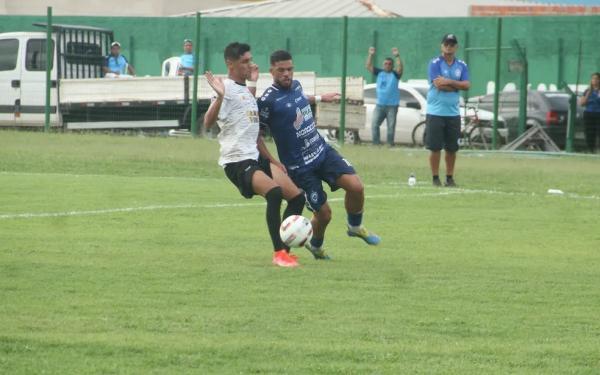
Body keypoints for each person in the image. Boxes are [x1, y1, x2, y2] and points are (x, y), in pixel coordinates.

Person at [257, 50, 380, 260]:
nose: (287, 73)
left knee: (356, 186)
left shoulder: (296, 86)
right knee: (324, 215)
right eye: (281, 70)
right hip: (300, 169)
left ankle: (354, 226)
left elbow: (301, 98)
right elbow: (255, 134)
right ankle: (315, 246)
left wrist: (322, 97)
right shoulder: (267, 102)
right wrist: (273, 162)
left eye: (290, 69)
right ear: (272, 71)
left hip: (322, 151)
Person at [203, 42, 306, 268]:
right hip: (237, 161)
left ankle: (285, 252)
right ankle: (278, 253)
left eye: (250, 59)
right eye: (244, 62)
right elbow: (207, 123)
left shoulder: (243, 89)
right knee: (275, 194)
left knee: (297, 197)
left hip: (256, 157)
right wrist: (219, 97)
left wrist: (273, 161)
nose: (250, 64)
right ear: (230, 64)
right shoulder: (225, 89)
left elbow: (246, 108)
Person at [425, 34, 470, 187]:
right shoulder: (435, 63)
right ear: (442, 46)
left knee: (452, 149)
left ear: (456, 47)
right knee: (435, 147)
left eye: (452, 44)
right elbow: (438, 84)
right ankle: (435, 178)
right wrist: (456, 86)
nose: (449, 47)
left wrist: (449, 82)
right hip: (435, 112)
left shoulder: (462, 65)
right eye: (446, 44)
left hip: (453, 113)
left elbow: (467, 85)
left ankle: (449, 177)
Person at [365, 46, 403, 146]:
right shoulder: (380, 73)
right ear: (383, 65)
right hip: (380, 105)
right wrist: (371, 54)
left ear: (392, 65)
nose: (387, 65)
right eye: (385, 64)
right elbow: (368, 66)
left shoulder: (395, 74)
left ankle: (390, 145)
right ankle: (376, 144)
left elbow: (400, 69)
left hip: (392, 106)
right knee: (374, 125)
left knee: (390, 127)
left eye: (389, 64)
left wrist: (397, 56)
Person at [579, 72, 600, 153]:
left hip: (598, 113)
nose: (595, 80)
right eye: (593, 79)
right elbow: (582, 103)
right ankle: (591, 149)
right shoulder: (587, 91)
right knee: (589, 132)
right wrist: (588, 94)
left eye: (597, 79)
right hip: (589, 113)